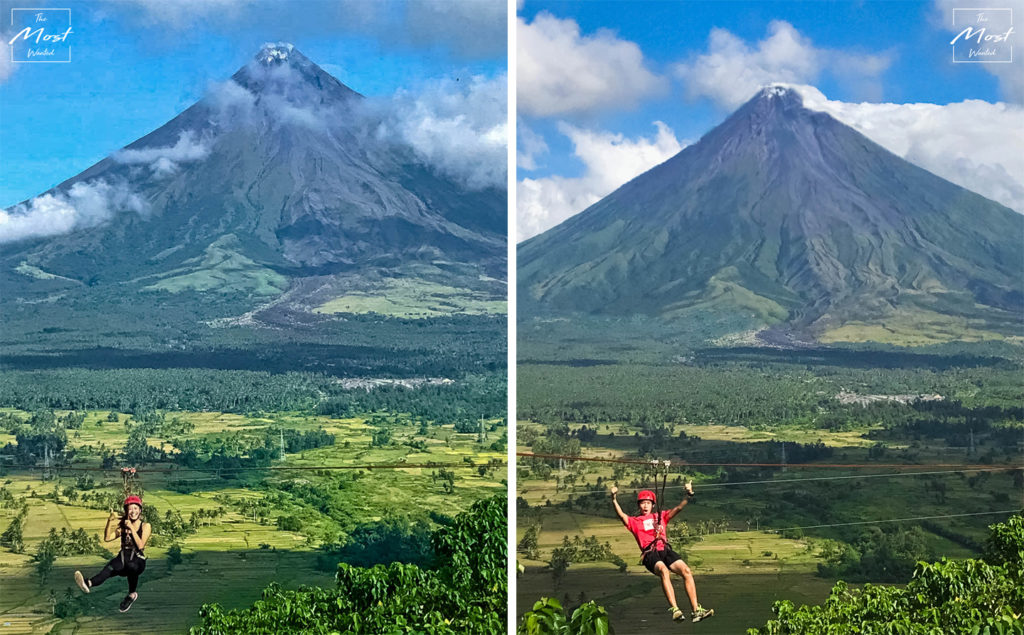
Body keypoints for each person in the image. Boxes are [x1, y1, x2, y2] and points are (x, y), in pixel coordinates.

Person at [611, 483, 714, 623]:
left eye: (648, 503)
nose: (645, 506)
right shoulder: (634, 522)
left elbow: (678, 508)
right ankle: (675, 610)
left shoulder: (661, 517)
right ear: (639, 505)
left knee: (686, 571)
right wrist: (614, 498)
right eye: (642, 503)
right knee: (664, 571)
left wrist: (689, 495)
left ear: (653, 505)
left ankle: (696, 610)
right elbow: (621, 515)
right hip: (650, 554)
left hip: (664, 550)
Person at [74, 495, 151, 612]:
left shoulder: (145, 526)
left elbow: (141, 545)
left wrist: (131, 528)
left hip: (137, 560)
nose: (133, 512)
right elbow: (107, 538)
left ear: (140, 510)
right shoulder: (123, 527)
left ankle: (131, 594)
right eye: (130, 509)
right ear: (126, 511)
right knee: (109, 568)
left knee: (132, 566)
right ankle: (88, 583)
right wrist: (110, 521)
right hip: (123, 559)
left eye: (135, 508)